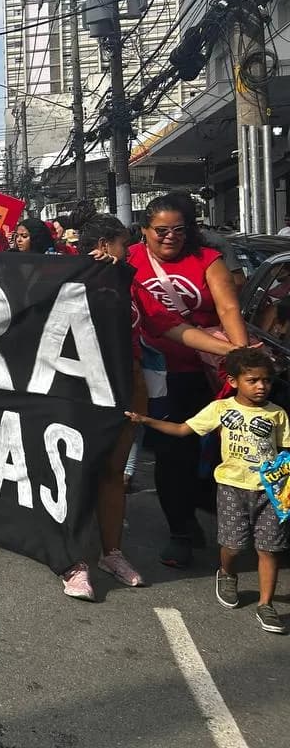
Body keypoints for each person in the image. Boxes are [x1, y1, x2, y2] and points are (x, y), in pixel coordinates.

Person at [57, 212, 239, 600]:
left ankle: (111, 553)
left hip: (128, 388)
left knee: (112, 474)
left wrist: (232, 351)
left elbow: (169, 325)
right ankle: (75, 562)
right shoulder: (69, 278)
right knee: (78, 474)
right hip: (81, 390)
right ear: (104, 246)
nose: (130, 252)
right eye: (125, 245)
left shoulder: (129, 283)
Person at [127, 348, 288, 633]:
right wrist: (146, 420)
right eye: (252, 380)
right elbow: (182, 430)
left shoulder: (278, 414)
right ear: (234, 381)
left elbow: (285, 450)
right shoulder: (221, 409)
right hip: (231, 487)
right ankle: (227, 573)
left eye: (266, 380)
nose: (261, 386)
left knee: (269, 549)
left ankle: (266, 604)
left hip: (269, 493)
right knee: (233, 546)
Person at [128, 193, 248, 568]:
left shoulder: (207, 259)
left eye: (179, 230)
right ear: (144, 230)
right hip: (159, 375)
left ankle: (213, 513)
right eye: (161, 230)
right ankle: (180, 531)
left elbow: (228, 307)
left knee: (219, 451)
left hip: (209, 373)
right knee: (171, 454)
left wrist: (241, 359)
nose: (170, 237)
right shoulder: (129, 260)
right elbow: (159, 323)